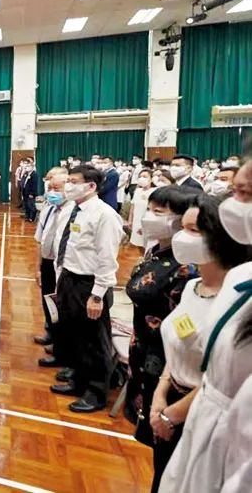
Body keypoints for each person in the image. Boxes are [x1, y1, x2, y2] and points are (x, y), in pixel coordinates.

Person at [159, 155, 252, 492]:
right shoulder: (235, 279)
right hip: (197, 419)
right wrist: (162, 394)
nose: (235, 206)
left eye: (245, 194)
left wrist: (174, 413)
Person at [124, 187, 199, 458]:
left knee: (164, 439)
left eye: (159, 212)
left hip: (166, 358)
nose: (149, 217)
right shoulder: (156, 250)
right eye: (149, 210)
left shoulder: (187, 267)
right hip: (142, 347)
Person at [51, 165, 122, 413]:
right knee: (75, 335)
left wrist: (97, 295)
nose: (68, 186)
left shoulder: (104, 215)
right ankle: (79, 381)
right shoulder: (77, 211)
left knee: (94, 340)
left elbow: (107, 259)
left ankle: (97, 392)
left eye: (73, 181)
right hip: (70, 278)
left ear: (91, 186)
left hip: (89, 285)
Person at [33, 170, 72, 350]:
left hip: (66, 266)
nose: (51, 192)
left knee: (64, 305)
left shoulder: (74, 212)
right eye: (49, 188)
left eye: (56, 188)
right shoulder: (47, 210)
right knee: (48, 300)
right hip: (48, 263)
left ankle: (62, 344)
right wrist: (38, 268)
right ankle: (51, 332)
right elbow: (39, 241)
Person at [128, 169, 153, 248]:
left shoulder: (154, 191)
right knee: (136, 243)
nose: (142, 178)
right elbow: (133, 206)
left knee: (146, 244)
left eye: (145, 176)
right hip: (136, 221)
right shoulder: (137, 191)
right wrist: (130, 220)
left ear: (151, 179)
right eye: (140, 176)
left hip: (147, 222)